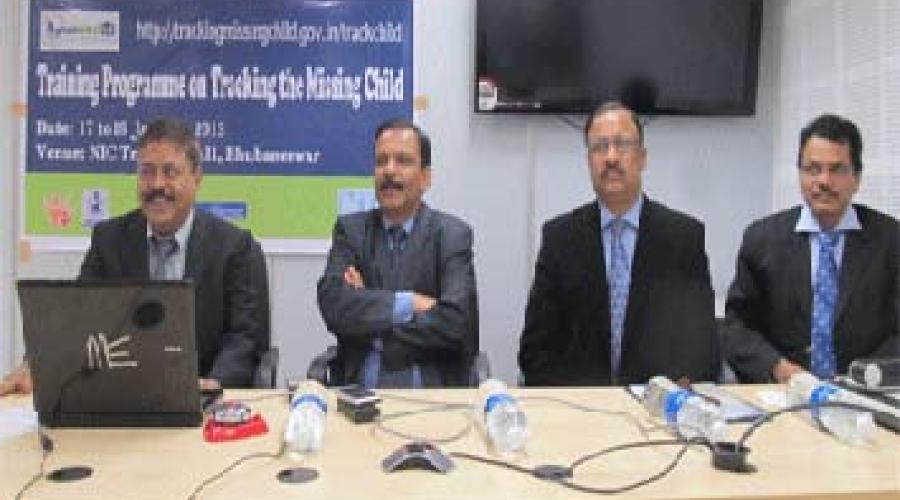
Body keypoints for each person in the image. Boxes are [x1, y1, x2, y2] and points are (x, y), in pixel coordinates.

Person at [0, 117, 263, 396]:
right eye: (147, 172)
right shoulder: (109, 240)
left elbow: (244, 338)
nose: (157, 185)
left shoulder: (234, 247)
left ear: (197, 178)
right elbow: (77, 317)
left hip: (203, 401)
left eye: (170, 172)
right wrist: (36, 364)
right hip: (122, 398)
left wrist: (214, 383)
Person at [518, 101, 718, 386]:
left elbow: (704, 352)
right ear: (588, 160)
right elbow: (535, 351)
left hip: (655, 410)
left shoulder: (683, 237)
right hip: (582, 410)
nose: (611, 157)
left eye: (622, 144)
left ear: (642, 158)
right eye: (600, 147)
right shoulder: (560, 238)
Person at [724, 113, 899, 383]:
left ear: (857, 178)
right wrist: (778, 368)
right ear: (800, 174)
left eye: (837, 169)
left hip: (865, 394)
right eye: (813, 169)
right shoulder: (762, 239)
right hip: (783, 394)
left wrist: (865, 375)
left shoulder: (891, 241)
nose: (824, 181)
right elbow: (738, 327)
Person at [317, 118, 478, 388]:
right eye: (381, 161)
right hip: (360, 392)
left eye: (402, 160)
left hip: (432, 393)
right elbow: (334, 306)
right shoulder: (351, 230)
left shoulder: (452, 235)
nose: (389, 171)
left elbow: (456, 322)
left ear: (425, 177)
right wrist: (412, 303)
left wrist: (369, 318)